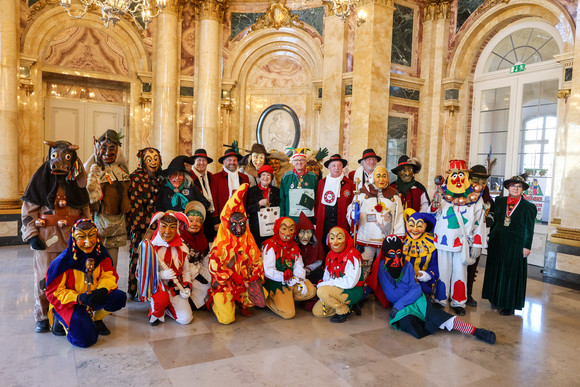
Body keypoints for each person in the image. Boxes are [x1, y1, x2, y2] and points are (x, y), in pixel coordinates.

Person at [366, 236, 496, 344]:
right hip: (402, 308)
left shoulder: (407, 266)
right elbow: (369, 284)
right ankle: (428, 322)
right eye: (391, 254)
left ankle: (476, 331)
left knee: (436, 316)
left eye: (398, 254)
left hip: (417, 300)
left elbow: (415, 289)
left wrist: (399, 305)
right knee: (408, 323)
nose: (395, 258)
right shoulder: (380, 269)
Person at [21, 140, 91, 333]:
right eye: (54, 156)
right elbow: (28, 210)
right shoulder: (40, 181)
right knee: (45, 279)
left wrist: (88, 238)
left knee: (71, 279)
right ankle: (42, 315)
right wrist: (32, 234)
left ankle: (65, 313)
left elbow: (86, 213)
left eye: (65, 158)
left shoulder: (77, 185)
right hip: (47, 240)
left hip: (73, 240)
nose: (58, 162)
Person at [45, 219, 126, 347]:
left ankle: (95, 319)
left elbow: (109, 275)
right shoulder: (62, 262)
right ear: (74, 239)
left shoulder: (101, 254)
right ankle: (61, 321)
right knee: (85, 340)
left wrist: (102, 290)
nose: (88, 242)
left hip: (93, 297)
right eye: (81, 237)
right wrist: (78, 298)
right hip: (71, 304)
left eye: (91, 236)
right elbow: (53, 293)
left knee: (119, 297)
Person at [431, 160, 486, 316]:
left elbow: (479, 220)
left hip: (463, 242)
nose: (457, 178)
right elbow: (433, 213)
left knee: (460, 273)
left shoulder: (475, 196)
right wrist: (434, 201)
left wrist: (477, 244)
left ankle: (458, 302)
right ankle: (440, 300)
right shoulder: (441, 193)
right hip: (443, 240)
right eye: (454, 175)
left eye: (460, 174)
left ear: (467, 176)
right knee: (443, 272)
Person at [207, 184, 265, 324]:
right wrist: (232, 275)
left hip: (243, 284)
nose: (239, 229)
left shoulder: (248, 241)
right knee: (227, 320)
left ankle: (242, 303)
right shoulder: (221, 243)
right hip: (225, 285)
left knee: (261, 293)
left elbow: (256, 261)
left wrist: (254, 278)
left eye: (242, 224)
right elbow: (214, 265)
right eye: (234, 224)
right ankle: (216, 303)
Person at [482, 175, 536, 316]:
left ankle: (509, 304)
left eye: (519, 186)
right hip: (498, 241)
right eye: (513, 186)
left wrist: (527, 246)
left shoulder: (528, 207)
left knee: (510, 274)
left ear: (523, 189)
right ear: (507, 187)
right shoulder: (499, 201)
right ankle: (495, 298)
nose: (515, 188)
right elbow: (493, 218)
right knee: (497, 270)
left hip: (516, 244)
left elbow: (529, 229)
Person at [137, 211, 193, 326]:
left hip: (175, 288)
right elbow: (140, 274)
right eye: (164, 227)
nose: (167, 231)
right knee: (161, 299)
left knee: (186, 319)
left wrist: (187, 286)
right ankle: (159, 307)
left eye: (172, 227)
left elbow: (186, 271)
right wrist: (161, 275)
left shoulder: (182, 249)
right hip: (157, 287)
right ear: (159, 226)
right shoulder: (150, 248)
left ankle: (168, 306)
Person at [348, 166, 404, 280]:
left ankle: (383, 288)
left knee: (385, 265)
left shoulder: (394, 195)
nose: (381, 179)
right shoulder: (362, 193)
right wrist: (353, 215)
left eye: (384, 176)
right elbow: (352, 210)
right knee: (364, 265)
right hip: (367, 238)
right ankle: (362, 286)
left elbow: (399, 217)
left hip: (387, 240)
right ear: (372, 177)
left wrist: (398, 237)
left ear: (388, 178)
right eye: (378, 176)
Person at [85, 129, 131, 268]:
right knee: (96, 261)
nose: (108, 152)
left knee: (112, 263)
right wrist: (96, 168)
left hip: (117, 224)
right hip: (98, 222)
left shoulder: (121, 171)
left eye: (112, 148)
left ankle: (110, 287)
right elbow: (91, 194)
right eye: (104, 148)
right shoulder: (93, 170)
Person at [127, 147, 164, 299]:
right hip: (141, 224)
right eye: (149, 159)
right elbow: (134, 205)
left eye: (156, 159)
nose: (153, 162)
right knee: (138, 256)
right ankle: (135, 290)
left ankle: (151, 288)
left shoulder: (160, 178)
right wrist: (144, 225)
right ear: (142, 161)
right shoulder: (136, 177)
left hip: (158, 223)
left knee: (154, 258)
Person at [262, 217, 317, 319]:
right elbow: (268, 271)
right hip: (276, 282)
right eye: (284, 228)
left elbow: (299, 265)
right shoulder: (270, 245)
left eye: (291, 229)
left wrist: (298, 279)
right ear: (277, 229)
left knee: (311, 291)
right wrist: (283, 277)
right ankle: (268, 300)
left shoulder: (294, 246)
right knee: (289, 314)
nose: (288, 233)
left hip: (291, 280)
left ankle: (286, 298)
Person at [312, 227, 364, 323]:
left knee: (322, 291)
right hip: (336, 288)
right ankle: (349, 306)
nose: (335, 242)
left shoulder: (353, 255)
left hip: (352, 290)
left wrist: (326, 286)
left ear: (346, 239)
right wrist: (325, 285)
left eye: (339, 238)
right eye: (332, 238)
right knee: (317, 312)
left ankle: (343, 310)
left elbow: (350, 283)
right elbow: (327, 276)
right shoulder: (330, 255)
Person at [466, 164, 495, 307]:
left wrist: (490, 218)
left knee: (472, 267)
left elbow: (492, 211)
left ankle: (468, 294)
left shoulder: (486, 197)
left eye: (483, 182)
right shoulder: (461, 194)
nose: (480, 185)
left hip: (477, 238)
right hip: (461, 236)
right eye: (476, 180)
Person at [315, 154, 354, 256]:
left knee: (341, 245)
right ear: (329, 168)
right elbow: (318, 201)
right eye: (333, 165)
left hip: (341, 221)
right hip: (325, 222)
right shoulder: (322, 183)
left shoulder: (349, 183)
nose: (336, 168)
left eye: (339, 165)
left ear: (342, 167)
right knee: (324, 245)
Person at [402, 209, 441, 298]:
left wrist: (429, 274)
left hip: (424, 285)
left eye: (419, 226)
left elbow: (436, 265)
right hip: (403, 284)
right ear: (407, 224)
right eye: (411, 225)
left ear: (425, 226)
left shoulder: (432, 242)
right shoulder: (401, 239)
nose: (415, 229)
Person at [181, 201, 212, 310]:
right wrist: (200, 276)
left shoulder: (202, 238)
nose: (194, 224)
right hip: (186, 273)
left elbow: (205, 258)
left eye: (198, 221)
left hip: (199, 269)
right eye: (191, 220)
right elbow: (184, 264)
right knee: (201, 288)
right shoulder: (181, 239)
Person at [210, 147, 250, 228]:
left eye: (234, 160)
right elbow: (213, 200)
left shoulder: (244, 177)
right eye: (229, 160)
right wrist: (215, 221)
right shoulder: (216, 178)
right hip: (222, 218)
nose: (232, 162)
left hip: (240, 218)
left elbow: (246, 199)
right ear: (224, 162)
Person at [280, 148, 318, 224]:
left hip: (307, 218)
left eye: (302, 160)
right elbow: (282, 199)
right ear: (292, 162)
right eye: (296, 160)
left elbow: (317, 197)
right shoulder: (286, 177)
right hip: (290, 218)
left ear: (306, 161)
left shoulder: (312, 176)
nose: (299, 162)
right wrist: (282, 217)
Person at [246, 164, 281, 247]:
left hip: (272, 227)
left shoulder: (276, 191)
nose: (266, 177)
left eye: (269, 175)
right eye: (263, 175)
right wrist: (258, 204)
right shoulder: (251, 191)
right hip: (256, 228)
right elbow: (247, 209)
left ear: (271, 178)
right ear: (259, 177)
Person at [189, 148, 218, 242]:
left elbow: (215, 198)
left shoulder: (211, 176)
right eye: (199, 160)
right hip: (195, 216)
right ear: (194, 161)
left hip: (210, 215)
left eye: (204, 160)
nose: (201, 163)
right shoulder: (189, 177)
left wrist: (216, 220)